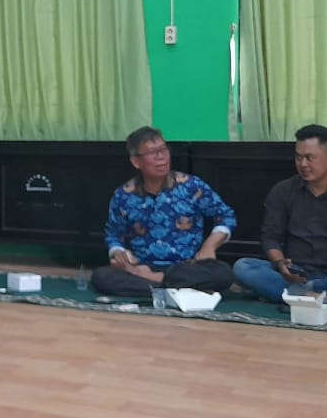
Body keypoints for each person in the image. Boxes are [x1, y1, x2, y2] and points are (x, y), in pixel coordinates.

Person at [232, 124, 327, 312]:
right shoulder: (282, 191)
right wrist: (280, 264)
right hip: (293, 275)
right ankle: (326, 301)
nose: (303, 164)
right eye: (298, 157)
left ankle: (295, 297)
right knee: (243, 267)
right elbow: (270, 237)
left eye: (310, 158)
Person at [92, 126, 236, 296]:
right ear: (136, 162)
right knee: (101, 277)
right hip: (143, 265)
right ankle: (179, 289)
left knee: (223, 273)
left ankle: (157, 284)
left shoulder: (191, 186)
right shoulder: (124, 195)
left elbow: (226, 216)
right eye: (152, 152)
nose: (161, 157)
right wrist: (119, 253)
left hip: (187, 266)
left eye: (163, 150)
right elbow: (113, 235)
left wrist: (209, 246)